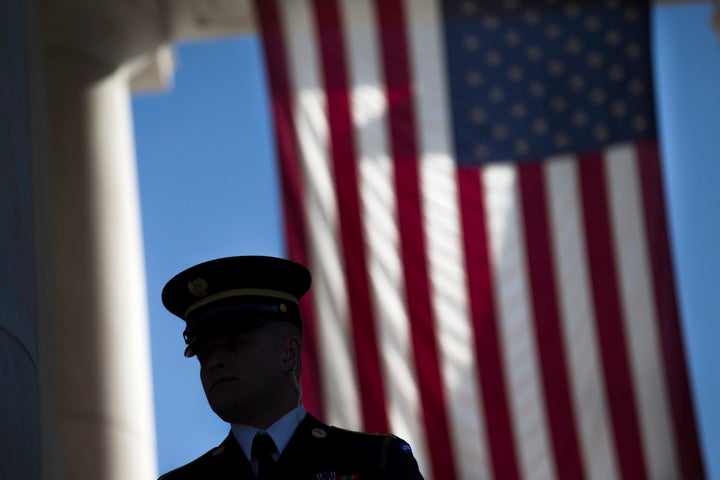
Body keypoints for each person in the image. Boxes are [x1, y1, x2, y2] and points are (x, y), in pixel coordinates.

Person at [158, 255, 424, 479]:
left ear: (289, 353)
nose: (214, 362)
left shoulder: (376, 463)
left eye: (234, 344)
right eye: (203, 355)